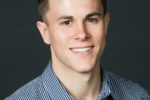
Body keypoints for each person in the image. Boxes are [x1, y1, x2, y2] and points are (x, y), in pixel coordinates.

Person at [5, 0, 150, 99]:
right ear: (45, 32)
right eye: (67, 22)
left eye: (91, 19)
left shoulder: (138, 96)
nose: (82, 34)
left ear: (105, 24)